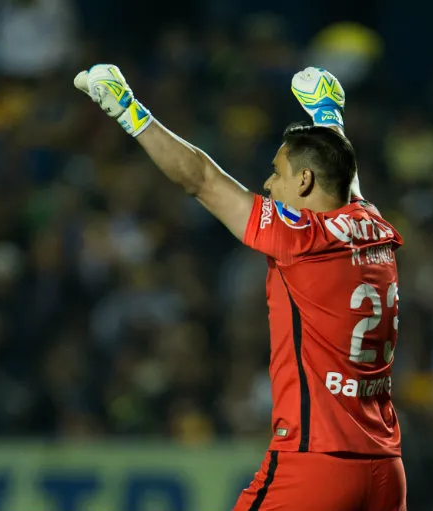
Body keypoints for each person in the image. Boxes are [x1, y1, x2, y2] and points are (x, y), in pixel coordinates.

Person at [73, 65, 406, 510]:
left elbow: (201, 180)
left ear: (304, 181)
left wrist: (128, 110)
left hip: (316, 462)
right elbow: (345, 183)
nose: (268, 184)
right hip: (384, 469)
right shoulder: (376, 226)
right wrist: (329, 118)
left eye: (277, 172)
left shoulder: (302, 237)